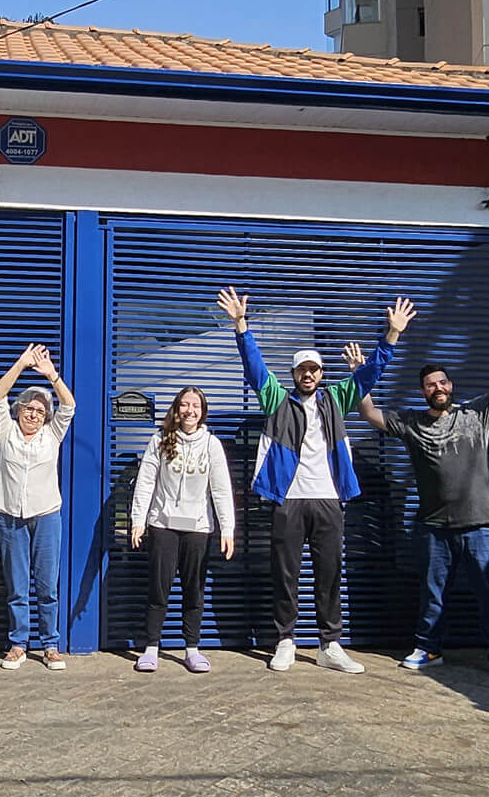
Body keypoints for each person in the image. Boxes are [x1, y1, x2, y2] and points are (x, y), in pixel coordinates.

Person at [216, 289, 414, 673]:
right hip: (287, 500)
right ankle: (285, 641)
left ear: (321, 374)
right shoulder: (276, 399)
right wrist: (240, 325)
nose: (308, 374)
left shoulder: (337, 398)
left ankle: (330, 645)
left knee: (329, 573)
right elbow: (253, 365)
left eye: (314, 369)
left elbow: (371, 372)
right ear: (294, 374)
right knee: (285, 573)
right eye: (302, 369)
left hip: (327, 500)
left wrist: (392, 335)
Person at [357, 313, 489, 684]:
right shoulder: (412, 423)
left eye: (442, 381)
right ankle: (428, 649)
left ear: (450, 385)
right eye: (430, 384)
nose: (438, 387)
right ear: (423, 392)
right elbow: (368, 413)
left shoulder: (476, 413)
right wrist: (361, 375)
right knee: (433, 593)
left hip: (481, 524)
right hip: (435, 527)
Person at [128, 386, 235, 674]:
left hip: (198, 528)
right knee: (158, 589)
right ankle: (151, 648)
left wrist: (227, 529)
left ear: (203, 412)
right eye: (185, 405)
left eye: (196, 406)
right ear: (176, 409)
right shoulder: (160, 440)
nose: (190, 411)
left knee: (194, 590)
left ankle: (192, 649)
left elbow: (221, 490)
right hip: (162, 525)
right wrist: (138, 520)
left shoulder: (212, 445)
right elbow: (145, 483)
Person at [0, 345, 77, 672]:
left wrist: (50, 375)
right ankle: (18, 644)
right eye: (28, 408)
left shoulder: (52, 436)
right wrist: (21, 364)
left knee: (47, 584)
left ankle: (50, 645)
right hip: (10, 515)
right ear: (19, 410)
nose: (33, 414)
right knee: (16, 584)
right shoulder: (6, 431)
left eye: (40, 411)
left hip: (46, 516)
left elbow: (69, 405)